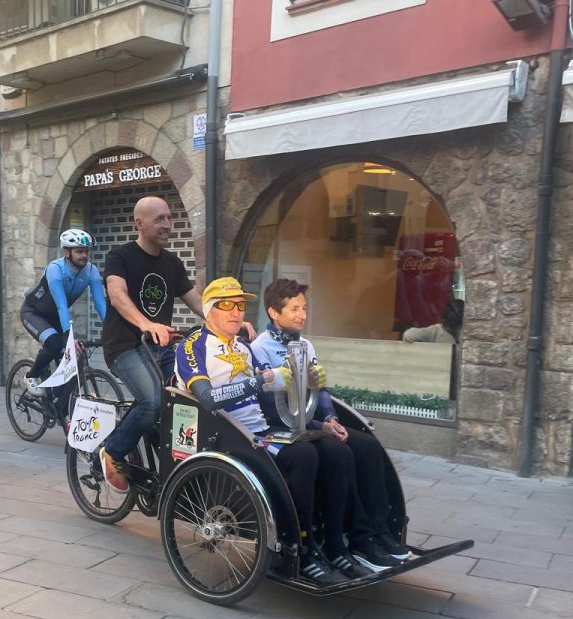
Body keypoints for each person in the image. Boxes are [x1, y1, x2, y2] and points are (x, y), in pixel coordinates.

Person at [176, 277, 367, 586]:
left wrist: (314, 395)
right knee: (303, 454)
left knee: (334, 451)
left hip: (261, 429)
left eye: (241, 305)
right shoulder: (192, 346)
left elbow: (276, 399)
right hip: (225, 434)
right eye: (227, 305)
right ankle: (300, 551)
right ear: (210, 310)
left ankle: (335, 545)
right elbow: (208, 399)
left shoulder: (243, 347)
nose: (236, 312)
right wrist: (260, 379)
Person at [250, 279, 412, 571]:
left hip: (313, 421)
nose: (303, 315)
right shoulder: (259, 349)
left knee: (367, 445)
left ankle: (378, 531)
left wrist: (329, 418)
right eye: (295, 309)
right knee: (340, 453)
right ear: (274, 313)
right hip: (284, 426)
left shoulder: (305, 344)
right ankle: (354, 539)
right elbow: (271, 408)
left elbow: (319, 390)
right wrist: (319, 424)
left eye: (304, 308)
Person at [97, 195, 253, 492]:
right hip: (125, 347)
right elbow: (117, 295)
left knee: (192, 396)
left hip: (161, 347)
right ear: (139, 224)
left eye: (169, 218)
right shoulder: (120, 256)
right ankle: (113, 451)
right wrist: (146, 323)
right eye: (160, 219)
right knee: (153, 401)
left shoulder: (172, 262)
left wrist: (228, 319)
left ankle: (172, 463)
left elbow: (196, 300)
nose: (167, 224)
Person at [20, 228, 107, 412]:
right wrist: (69, 337)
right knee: (53, 344)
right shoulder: (55, 269)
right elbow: (60, 304)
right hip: (33, 313)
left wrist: (109, 330)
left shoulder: (91, 271)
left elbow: (100, 303)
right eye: (79, 251)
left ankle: (59, 403)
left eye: (86, 251)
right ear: (67, 252)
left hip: (54, 318)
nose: (84, 255)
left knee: (77, 358)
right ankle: (32, 375)